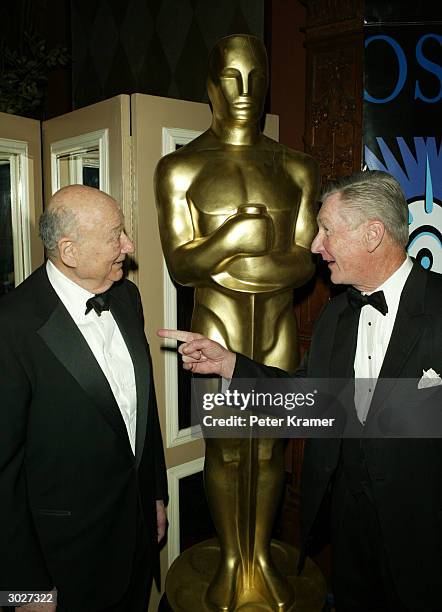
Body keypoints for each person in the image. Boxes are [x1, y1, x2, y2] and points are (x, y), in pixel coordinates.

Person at [159, 170, 442, 612]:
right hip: (349, 534)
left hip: (425, 536)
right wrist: (229, 363)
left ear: (372, 234)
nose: (315, 247)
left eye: (327, 231)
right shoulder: (334, 318)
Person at [154, 34, 318, 610]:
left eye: (255, 76)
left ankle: (262, 556)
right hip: (215, 325)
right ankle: (231, 558)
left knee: (271, 448)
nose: (245, 91)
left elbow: (305, 261)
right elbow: (179, 265)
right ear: (210, 84)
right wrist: (233, 238)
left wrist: (230, 259)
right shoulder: (180, 168)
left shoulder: (296, 166)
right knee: (224, 450)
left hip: (276, 326)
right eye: (231, 77)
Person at [0, 185, 168, 612]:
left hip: (135, 536)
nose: (129, 246)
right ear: (69, 250)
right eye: (116, 235)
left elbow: (139, 409)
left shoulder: (127, 297)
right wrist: (24, 589)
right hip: (62, 564)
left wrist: (155, 496)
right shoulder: (11, 326)